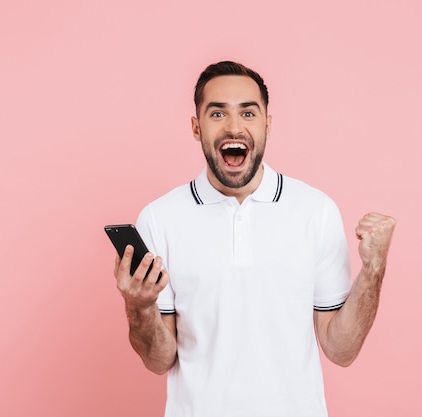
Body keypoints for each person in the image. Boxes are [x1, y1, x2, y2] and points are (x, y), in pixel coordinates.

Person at [113, 61, 396, 417]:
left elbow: (342, 350)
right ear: (196, 128)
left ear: (267, 125)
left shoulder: (316, 210)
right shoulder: (159, 218)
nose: (234, 127)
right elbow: (159, 361)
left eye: (248, 113)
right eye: (217, 113)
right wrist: (138, 307)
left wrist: (373, 270)